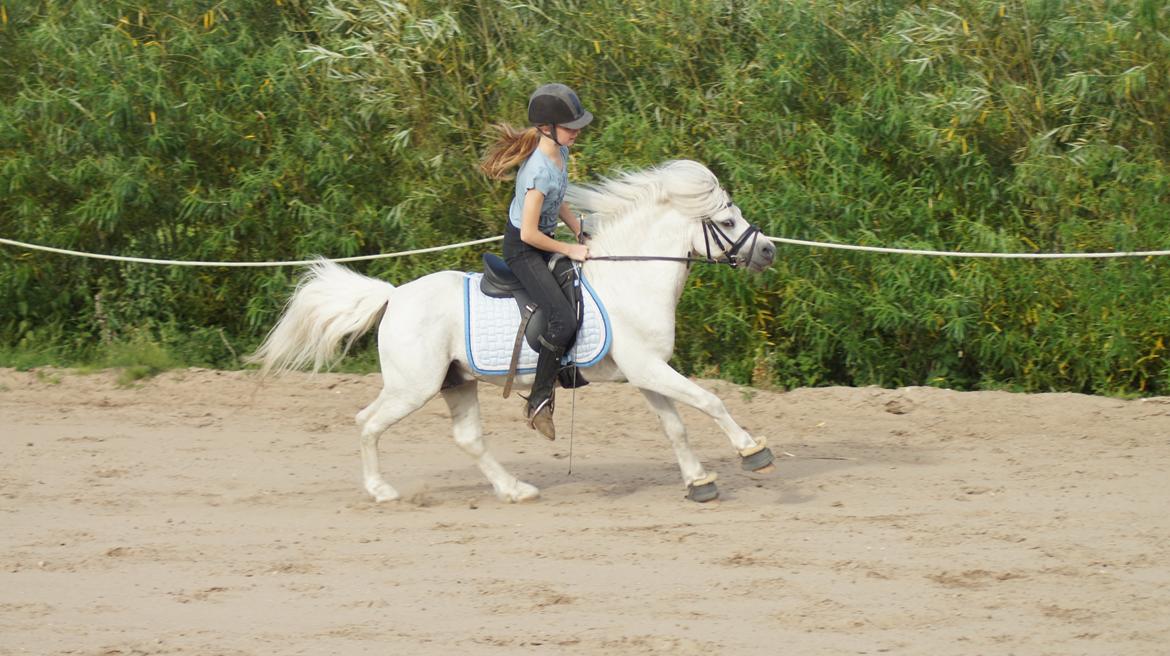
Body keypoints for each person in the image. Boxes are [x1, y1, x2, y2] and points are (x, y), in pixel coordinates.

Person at [480, 83, 593, 440]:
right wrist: (569, 249)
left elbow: (558, 200)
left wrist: (578, 229)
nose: (576, 132)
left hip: (544, 242)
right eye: (570, 127)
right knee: (562, 319)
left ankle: (565, 365)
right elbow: (528, 234)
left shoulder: (561, 153)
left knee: (577, 292)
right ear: (547, 128)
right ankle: (538, 401)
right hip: (524, 250)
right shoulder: (536, 172)